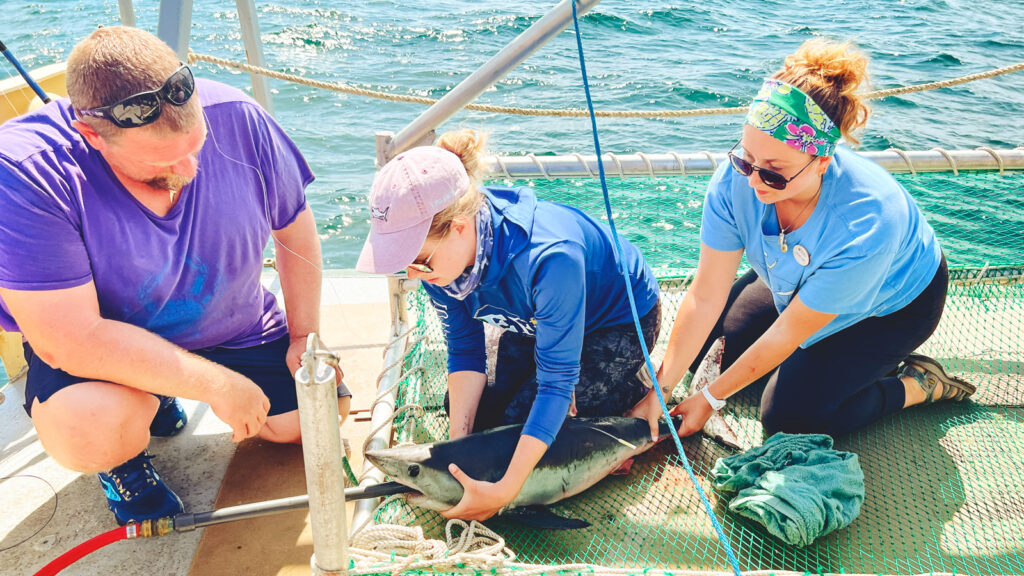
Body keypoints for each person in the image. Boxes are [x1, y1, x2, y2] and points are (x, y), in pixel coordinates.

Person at [0, 26, 350, 525]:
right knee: (93, 429)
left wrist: (303, 335)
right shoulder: (23, 170)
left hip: (235, 326)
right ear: (90, 135)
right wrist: (219, 388)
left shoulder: (239, 115)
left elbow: (295, 232)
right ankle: (126, 449)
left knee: (315, 419)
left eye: (196, 148)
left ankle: (162, 390)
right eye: (160, 163)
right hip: (105, 349)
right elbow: (68, 341)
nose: (188, 169)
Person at [630, 38, 975, 442]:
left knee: (789, 418)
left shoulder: (868, 222)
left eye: (774, 173)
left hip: (892, 306)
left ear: (822, 163)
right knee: (710, 345)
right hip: (798, 280)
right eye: (747, 159)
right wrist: (661, 389)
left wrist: (709, 399)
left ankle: (916, 384)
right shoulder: (736, 180)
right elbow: (705, 296)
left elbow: (786, 334)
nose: (754, 181)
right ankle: (825, 371)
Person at [356, 129, 661, 521]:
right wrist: (457, 452)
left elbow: (556, 383)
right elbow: (465, 350)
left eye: (419, 261)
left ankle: (635, 390)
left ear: (460, 227)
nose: (415, 274)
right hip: (533, 321)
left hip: (617, 322)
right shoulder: (440, 266)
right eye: (405, 264)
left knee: (524, 429)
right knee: (478, 420)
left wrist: (504, 491)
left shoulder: (551, 258)